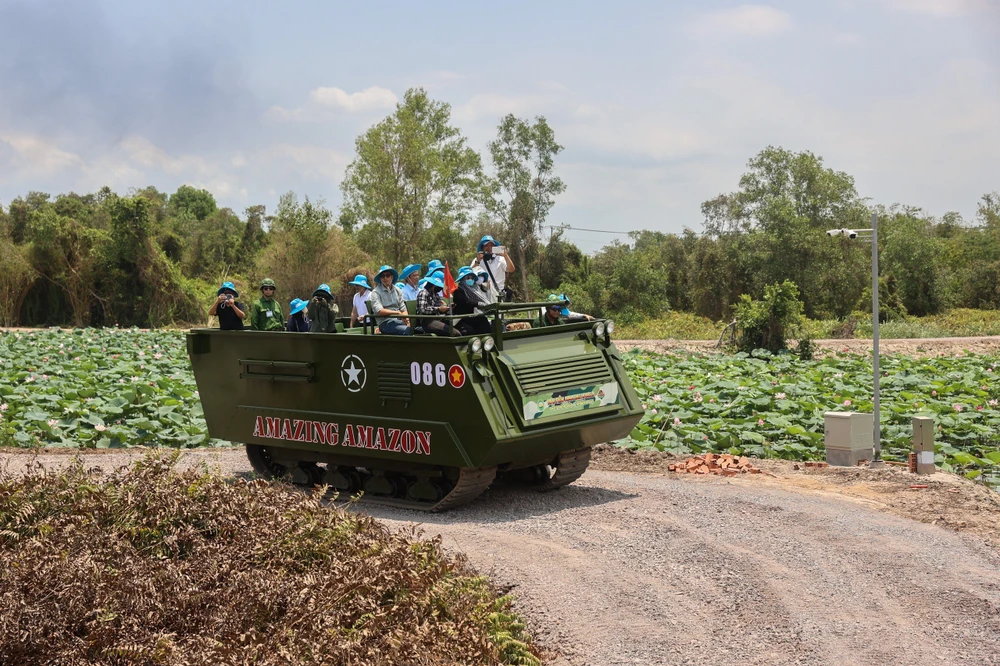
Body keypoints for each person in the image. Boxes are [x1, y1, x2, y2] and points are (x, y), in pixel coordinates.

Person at [368, 265, 412, 335]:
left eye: (387, 275)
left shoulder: (397, 290)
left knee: (418, 329)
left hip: (399, 321)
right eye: (382, 276)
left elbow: (403, 308)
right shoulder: (376, 292)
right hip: (385, 323)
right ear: (380, 278)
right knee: (406, 330)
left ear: (392, 277)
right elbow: (380, 311)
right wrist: (397, 313)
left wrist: (407, 320)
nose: (385, 278)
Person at [470, 235, 515, 301]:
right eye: (486, 246)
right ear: (482, 248)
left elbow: (511, 269)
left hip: (498, 295)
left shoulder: (501, 259)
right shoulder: (477, 260)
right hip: (483, 295)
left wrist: (505, 255)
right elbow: (469, 274)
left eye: (491, 246)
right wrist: (478, 261)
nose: (489, 248)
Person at [452, 266, 492, 335]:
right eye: (468, 278)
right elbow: (466, 302)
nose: (470, 279)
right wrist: (478, 304)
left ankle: (489, 339)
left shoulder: (475, 290)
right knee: (469, 331)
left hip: (471, 316)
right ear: (462, 279)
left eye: (472, 278)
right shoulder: (458, 291)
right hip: (461, 318)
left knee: (483, 321)